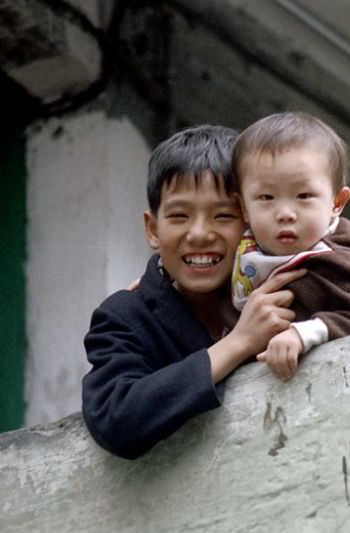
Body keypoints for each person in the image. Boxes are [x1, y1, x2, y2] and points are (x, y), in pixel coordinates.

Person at [82, 125, 305, 459]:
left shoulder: (288, 285)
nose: (200, 234)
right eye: (179, 216)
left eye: (223, 215)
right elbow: (116, 417)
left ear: (251, 221)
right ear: (153, 229)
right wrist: (239, 342)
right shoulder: (127, 316)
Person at [230, 111, 350, 381]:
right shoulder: (245, 253)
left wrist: (305, 333)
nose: (285, 213)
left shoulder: (339, 260)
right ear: (243, 208)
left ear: (337, 203)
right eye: (266, 197)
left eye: (304, 196)